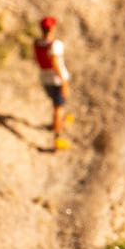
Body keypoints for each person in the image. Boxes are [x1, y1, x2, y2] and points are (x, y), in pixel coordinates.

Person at [34, 16, 72, 152]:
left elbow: (36, 58)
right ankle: (57, 137)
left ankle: (57, 123)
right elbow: (56, 63)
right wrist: (64, 83)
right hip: (56, 79)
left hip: (44, 77)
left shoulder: (37, 43)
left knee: (56, 104)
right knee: (58, 108)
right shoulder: (55, 45)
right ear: (51, 28)